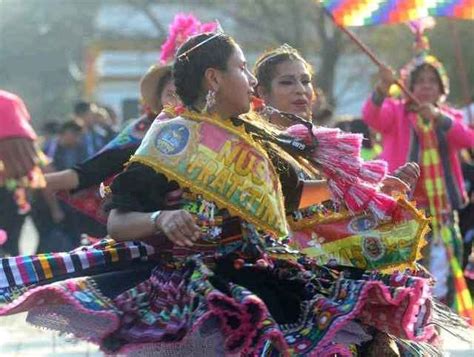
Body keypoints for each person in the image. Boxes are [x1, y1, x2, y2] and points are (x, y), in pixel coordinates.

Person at [0, 32, 464, 356]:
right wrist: (161, 221)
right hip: (199, 286)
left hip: (267, 275)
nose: (251, 80)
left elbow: (300, 199)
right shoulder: (170, 140)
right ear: (214, 80)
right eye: (243, 68)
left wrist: (374, 192)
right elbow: (120, 219)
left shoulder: (261, 140)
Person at [362, 23, 474, 309]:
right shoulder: (396, 112)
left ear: (441, 89)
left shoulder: (449, 116)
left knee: (447, 261)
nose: (426, 86)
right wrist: (382, 87)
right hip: (403, 203)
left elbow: (467, 138)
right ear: (408, 86)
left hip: (443, 206)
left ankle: (443, 312)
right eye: (420, 80)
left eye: (432, 81)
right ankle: (407, 311)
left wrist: (439, 118)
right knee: (405, 262)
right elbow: (373, 116)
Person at [0, 90, 48, 256]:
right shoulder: (26, 153)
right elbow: (39, 169)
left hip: (13, 194)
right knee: (11, 242)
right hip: (16, 193)